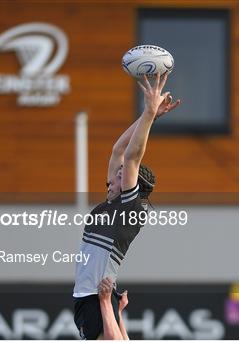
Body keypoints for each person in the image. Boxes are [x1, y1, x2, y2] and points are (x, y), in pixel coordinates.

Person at [73, 72, 181, 340]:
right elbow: (119, 149)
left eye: (119, 175)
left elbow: (132, 157)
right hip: (89, 296)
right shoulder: (114, 202)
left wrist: (149, 110)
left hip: (96, 296)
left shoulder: (130, 209)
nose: (112, 177)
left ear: (133, 184)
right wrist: (150, 117)